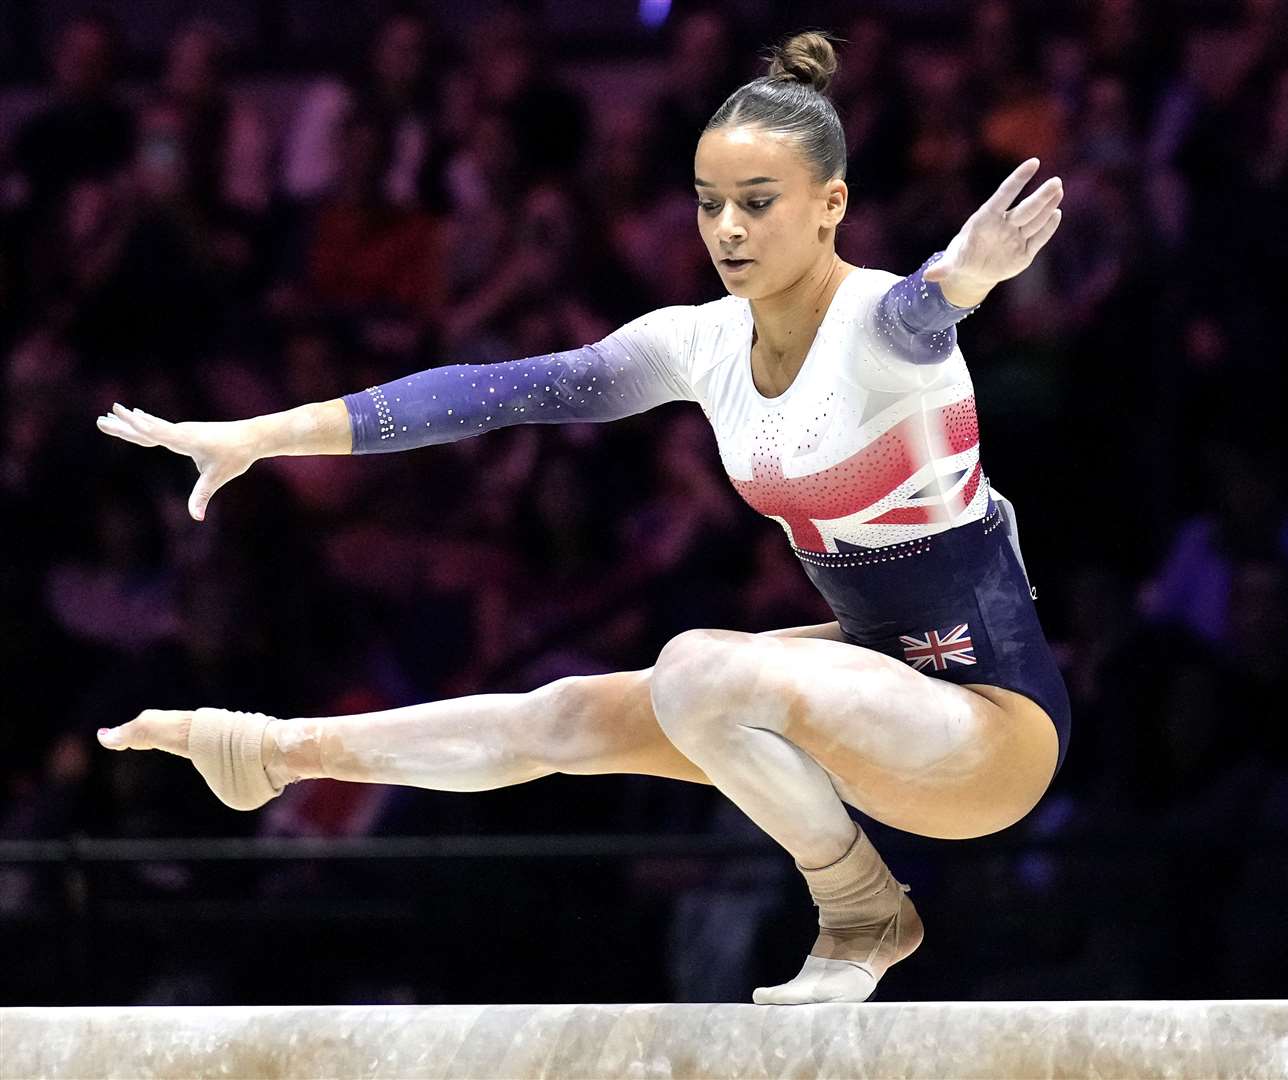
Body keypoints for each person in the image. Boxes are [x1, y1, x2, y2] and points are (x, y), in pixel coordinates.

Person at [93, 30, 1069, 1005]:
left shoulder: (883, 329)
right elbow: (498, 391)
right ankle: (280, 752)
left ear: (831, 206)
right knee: (562, 716)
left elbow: (927, 309)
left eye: (758, 203)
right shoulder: (699, 342)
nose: (727, 228)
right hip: (859, 691)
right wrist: (266, 435)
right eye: (709, 202)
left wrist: (968, 273)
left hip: (989, 728)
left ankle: (862, 910)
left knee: (695, 669)